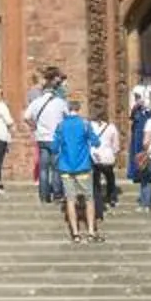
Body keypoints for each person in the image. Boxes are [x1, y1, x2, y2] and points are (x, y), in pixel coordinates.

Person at [51, 103, 101, 242]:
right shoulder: (85, 124)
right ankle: (91, 231)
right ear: (78, 109)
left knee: (70, 200)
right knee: (89, 199)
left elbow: (54, 147)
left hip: (66, 167)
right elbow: (96, 142)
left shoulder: (61, 126)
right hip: (83, 166)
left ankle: (75, 233)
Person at [25, 69, 71, 205]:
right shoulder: (60, 102)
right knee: (56, 167)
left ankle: (44, 195)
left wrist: (34, 126)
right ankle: (57, 194)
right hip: (56, 138)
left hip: (42, 138)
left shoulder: (36, 102)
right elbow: (67, 117)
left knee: (44, 168)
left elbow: (26, 117)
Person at [89, 111, 122, 215]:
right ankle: (111, 197)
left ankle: (97, 200)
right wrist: (116, 154)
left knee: (96, 180)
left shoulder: (89, 126)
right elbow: (116, 144)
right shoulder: (111, 127)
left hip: (94, 155)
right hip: (107, 156)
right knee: (110, 177)